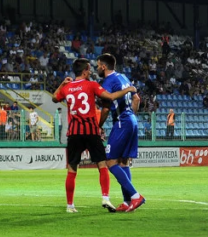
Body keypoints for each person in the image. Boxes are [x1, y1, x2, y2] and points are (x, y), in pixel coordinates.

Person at [52, 58, 137, 213]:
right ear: (85, 71)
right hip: (91, 131)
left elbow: (54, 98)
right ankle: (105, 198)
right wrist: (128, 90)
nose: (91, 71)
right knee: (102, 165)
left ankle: (70, 205)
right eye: (89, 68)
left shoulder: (67, 88)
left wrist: (62, 84)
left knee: (72, 169)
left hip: (74, 133)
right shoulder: (91, 85)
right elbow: (110, 97)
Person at [96, 54, 146, 213]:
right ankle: (127, 202)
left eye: (98, 66)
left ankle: (135, 196)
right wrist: (131, 118)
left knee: (111, 162)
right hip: (132, 120)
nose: (97, 68)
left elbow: (105, 108)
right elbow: (137, 99)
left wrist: (99, 126)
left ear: (103, 66)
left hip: (121, 122)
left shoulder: (108, 82)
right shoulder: (123, 77)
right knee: (123, 162)